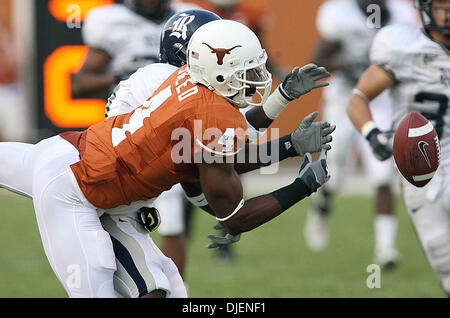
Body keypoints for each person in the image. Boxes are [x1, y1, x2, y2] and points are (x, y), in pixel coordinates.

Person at [0, 19, 335, 297]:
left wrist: (287, 124)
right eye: (247, 69)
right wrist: (304, 184)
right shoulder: (211, 113)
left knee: (167, 289)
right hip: (74, 191)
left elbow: (224, 151)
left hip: (69, 155)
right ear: (216, 69)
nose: (257, 77)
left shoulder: (187, 80)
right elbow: (234, 216)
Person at [71, 0, 199, 280]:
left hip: (171, 131)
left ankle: (176, 289)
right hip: (124, 134)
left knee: (173, 219)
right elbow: (78, 84)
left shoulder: (186, 18)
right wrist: (120, 74)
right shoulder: (112, 21)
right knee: (110, 220)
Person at [303, 0, 417, 269]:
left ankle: (385, 248)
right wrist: (345, 65)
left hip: (380, 99)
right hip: (345, 98)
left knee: (383, 171)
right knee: (335, 171)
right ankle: (322, 205)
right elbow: (317, 60)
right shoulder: (339, 14)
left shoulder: (401, 13)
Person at [346, 0, 450, 295]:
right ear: (425, 9)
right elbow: (357, 98)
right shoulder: (405, 48)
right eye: (442, 5)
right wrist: (371, 133)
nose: (449, 11)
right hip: (421, 173)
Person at [184, 0, 289, 81]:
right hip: (206, 69)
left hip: (238, 71)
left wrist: (275, 70)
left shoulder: (250, 12)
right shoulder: (195, 9)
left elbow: (259, 46)